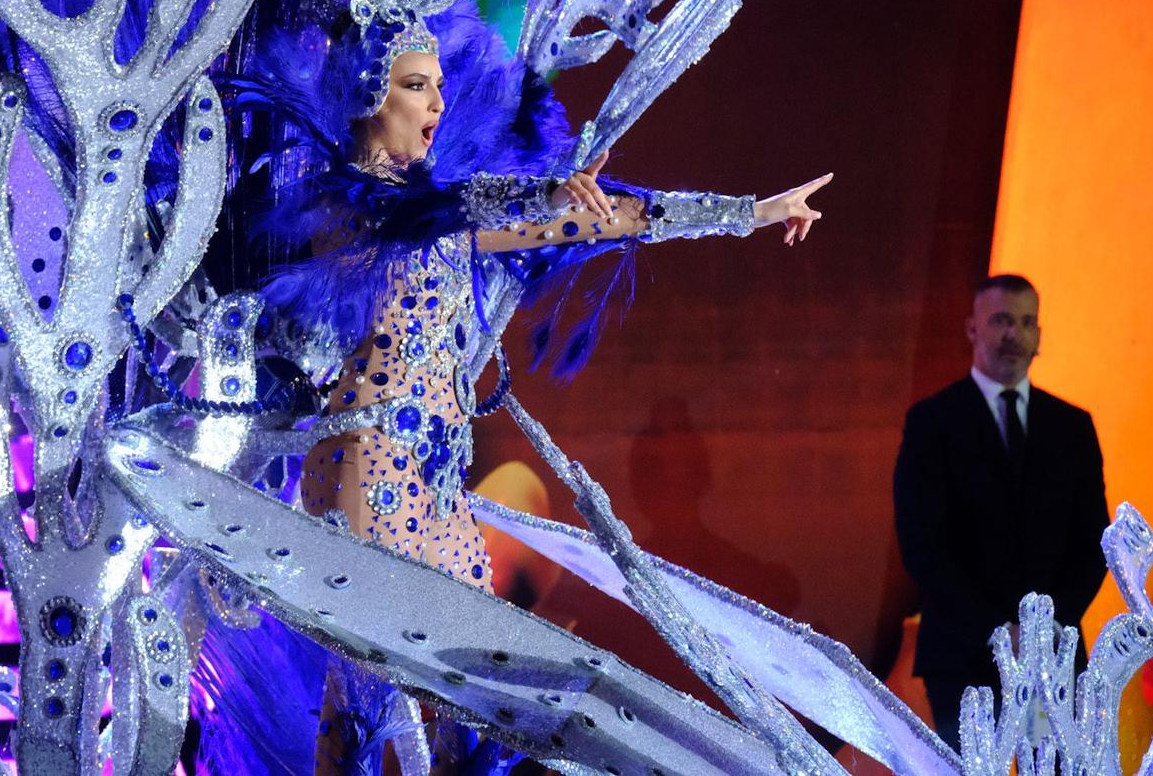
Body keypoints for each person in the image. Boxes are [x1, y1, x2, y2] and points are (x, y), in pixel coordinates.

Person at [293, 42, 830, 768]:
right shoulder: (349, 204)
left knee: (476, 712)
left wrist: (750, 213)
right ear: (366, 96)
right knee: (360, 711)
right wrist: (540, 194)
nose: (437, 106)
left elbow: (605, 220)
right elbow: (435, 212)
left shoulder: (443, 212)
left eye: (439, 88)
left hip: (438, 485)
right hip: (367, 466)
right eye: (416, 87)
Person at [892, 273, 1110, 745]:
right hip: (962, 654)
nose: (1014, 335)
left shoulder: (1072, 427)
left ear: (1039, 336)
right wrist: (996, 631)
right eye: (1001, 321)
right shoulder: (933, 422)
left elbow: (1095, 541)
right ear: (973, 329)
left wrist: (1047, 627)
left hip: (1052, 653)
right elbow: (922, 544)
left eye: (1026, 322)